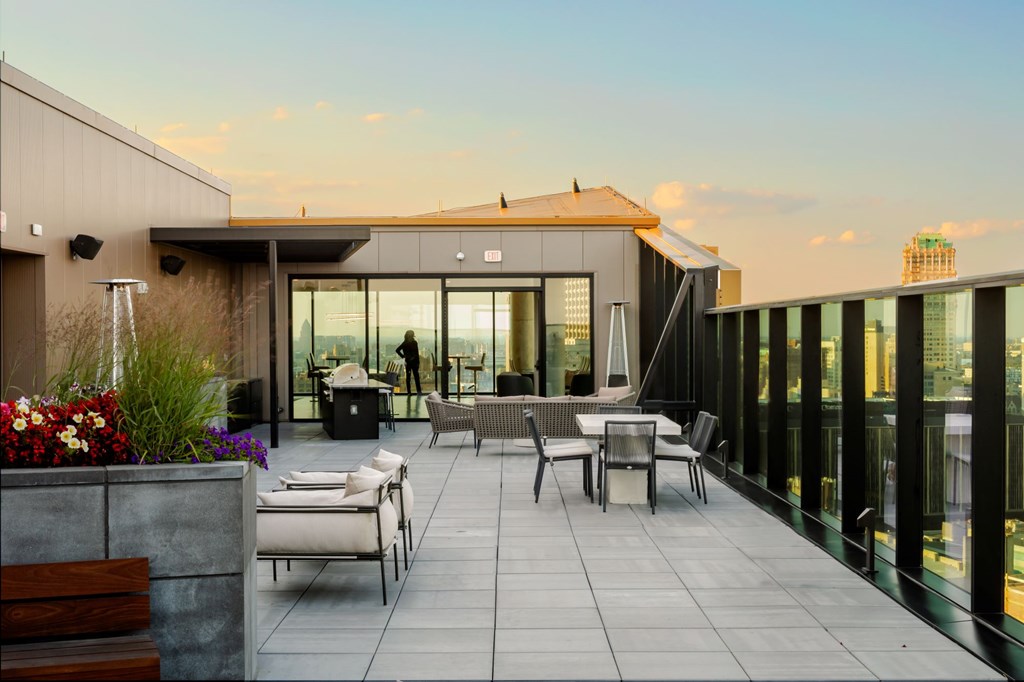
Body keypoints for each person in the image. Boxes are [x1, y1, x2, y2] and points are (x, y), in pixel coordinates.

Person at [395, 329, 422, 394]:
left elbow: (397, 350)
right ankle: (419, 391)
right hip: (414, 363)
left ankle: (409, 392)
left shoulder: (405, 343)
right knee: (416, 377)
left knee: (408, 377)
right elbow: (416, 353)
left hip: (408, 363)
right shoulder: (414, 342)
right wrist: (418, 362)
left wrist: (403, 356)